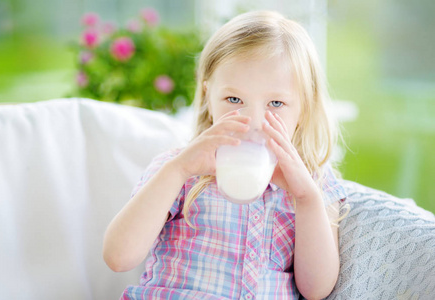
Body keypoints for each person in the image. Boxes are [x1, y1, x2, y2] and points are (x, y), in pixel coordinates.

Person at [103, 10, 347, 300]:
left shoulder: (313, 183)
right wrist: (178, 170)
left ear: (304, 107)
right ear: (208, 95)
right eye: (234, 99)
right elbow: (118, 257)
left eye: (276, 103)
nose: (254, 122)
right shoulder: (182, 168)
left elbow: (316, 289)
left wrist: (306, 198)